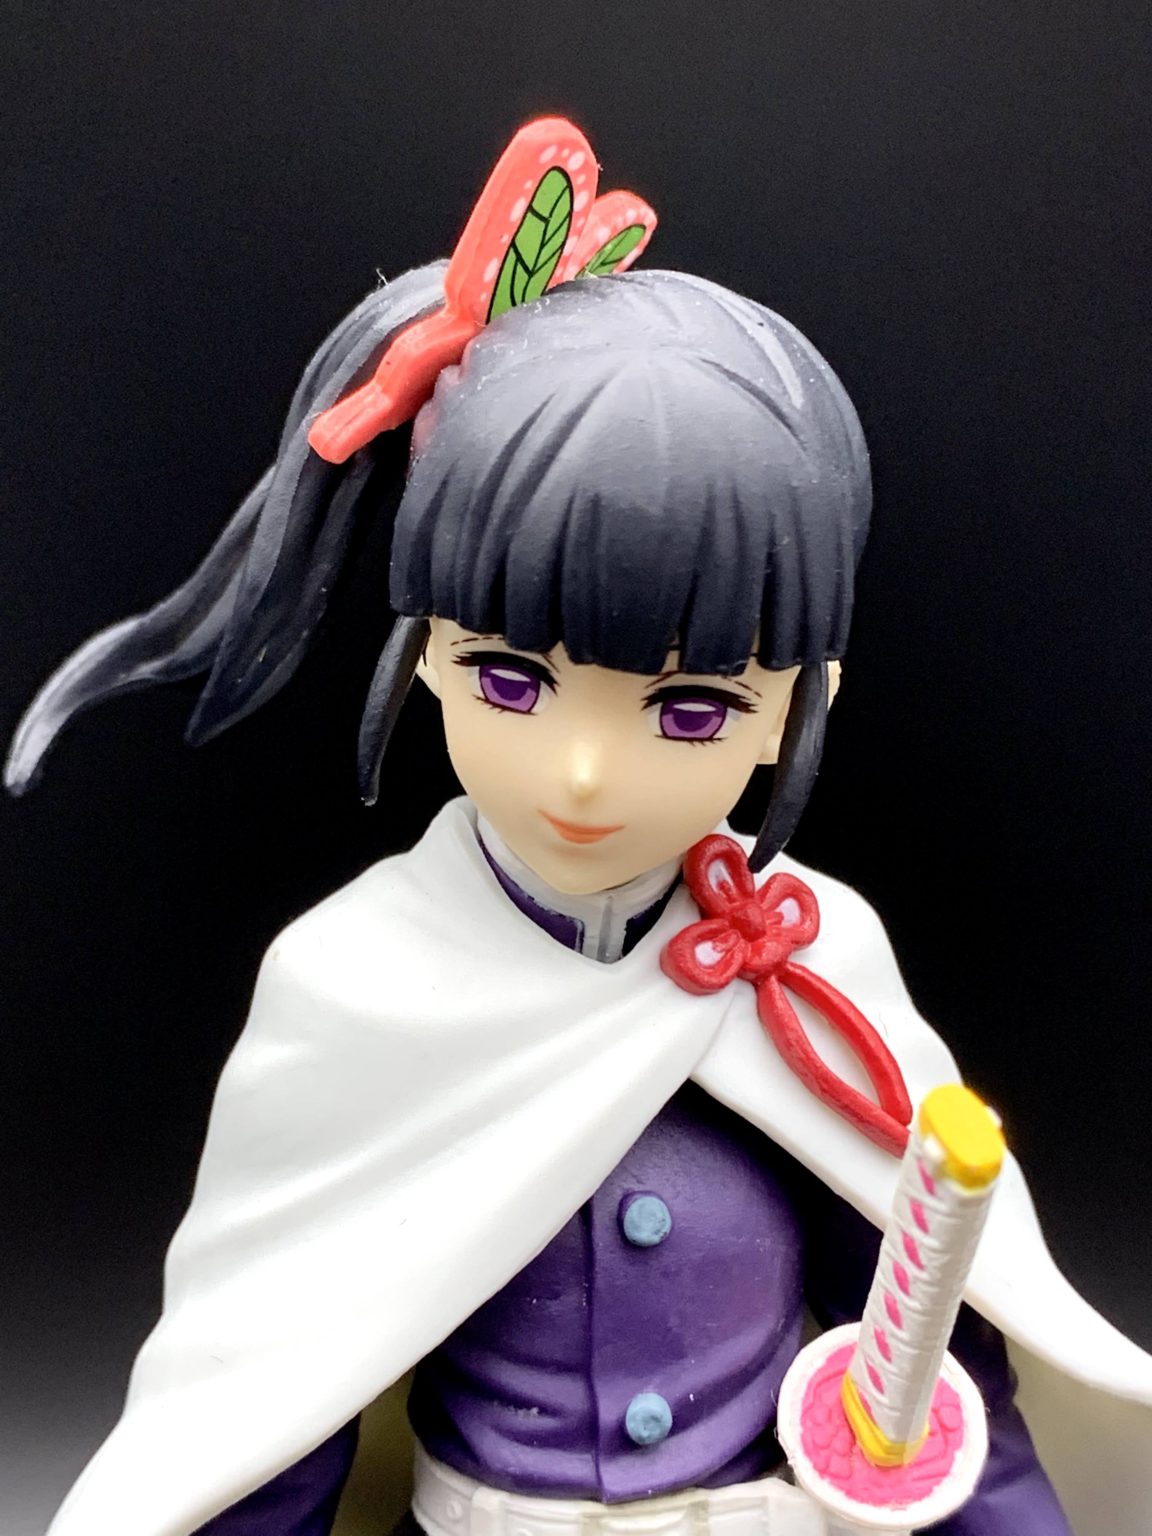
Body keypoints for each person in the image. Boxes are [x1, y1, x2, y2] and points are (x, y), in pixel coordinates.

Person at [8, 122, 1151, 1536]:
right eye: (511, 680)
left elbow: (925, 1355)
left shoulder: (809, 976)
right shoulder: (352, 985)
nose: (588, 774)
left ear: (801, 705)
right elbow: (273, 1403)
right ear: (427, 650)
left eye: (691, 708)